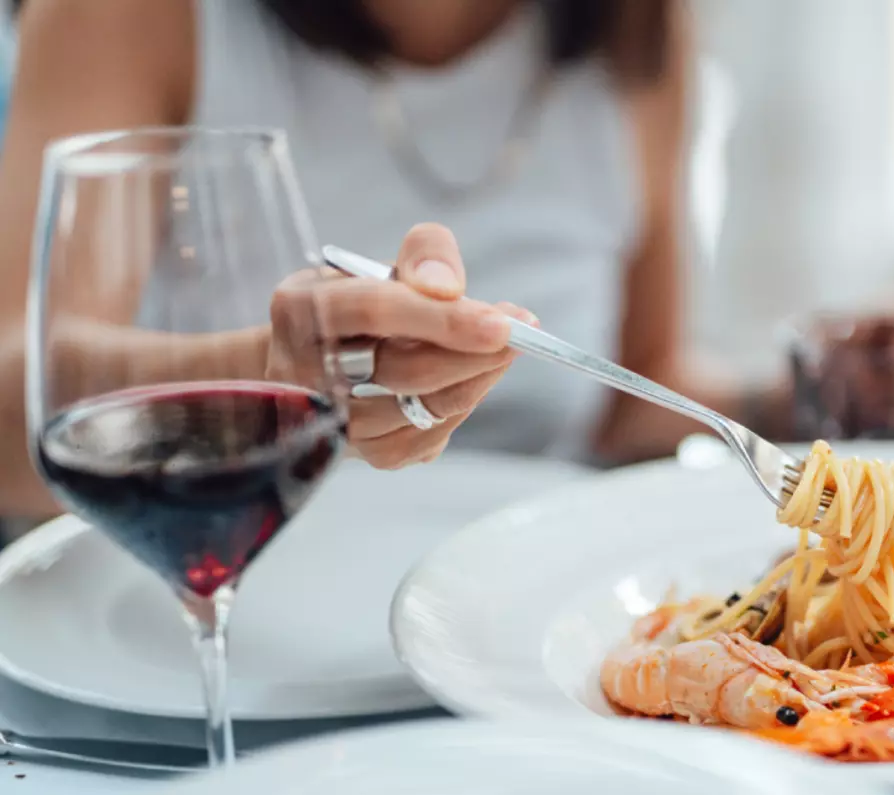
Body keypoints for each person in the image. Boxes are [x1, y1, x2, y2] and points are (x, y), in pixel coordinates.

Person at [0, 0, 786, 518]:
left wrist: (801, 395)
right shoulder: (133, 18)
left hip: (533, 637)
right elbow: (11, 413)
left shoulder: (633, 30)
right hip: (222, 641)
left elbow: (626, 391)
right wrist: (272, 383)